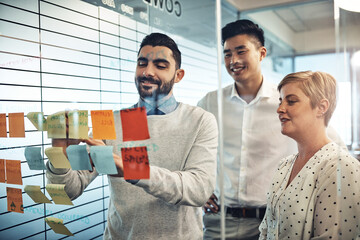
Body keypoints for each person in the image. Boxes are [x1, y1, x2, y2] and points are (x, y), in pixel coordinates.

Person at [46, 33, 218, 239]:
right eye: (142, 63)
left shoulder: (201, 120)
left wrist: (133, 170)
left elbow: (199, 190)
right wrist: (59, 150)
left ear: (178, 75)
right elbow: (68, 191)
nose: (147, 72)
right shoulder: (111, 121)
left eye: (160, 66)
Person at [197, 20, 346, 239]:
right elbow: (193, 150)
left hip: (272, 221)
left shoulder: (287, 103)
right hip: (220, 222)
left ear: (261, 53)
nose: (233, 60)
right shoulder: (210, 102)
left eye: (241, 51)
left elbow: (335, 150)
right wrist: (200, 188)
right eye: (227, 54)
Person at [259, 71, 360, 239]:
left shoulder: (341, 168)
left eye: (291, 101)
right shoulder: (284, 165)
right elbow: (266, 229)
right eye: (280, 101)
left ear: (321, 107)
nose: (280, 109)